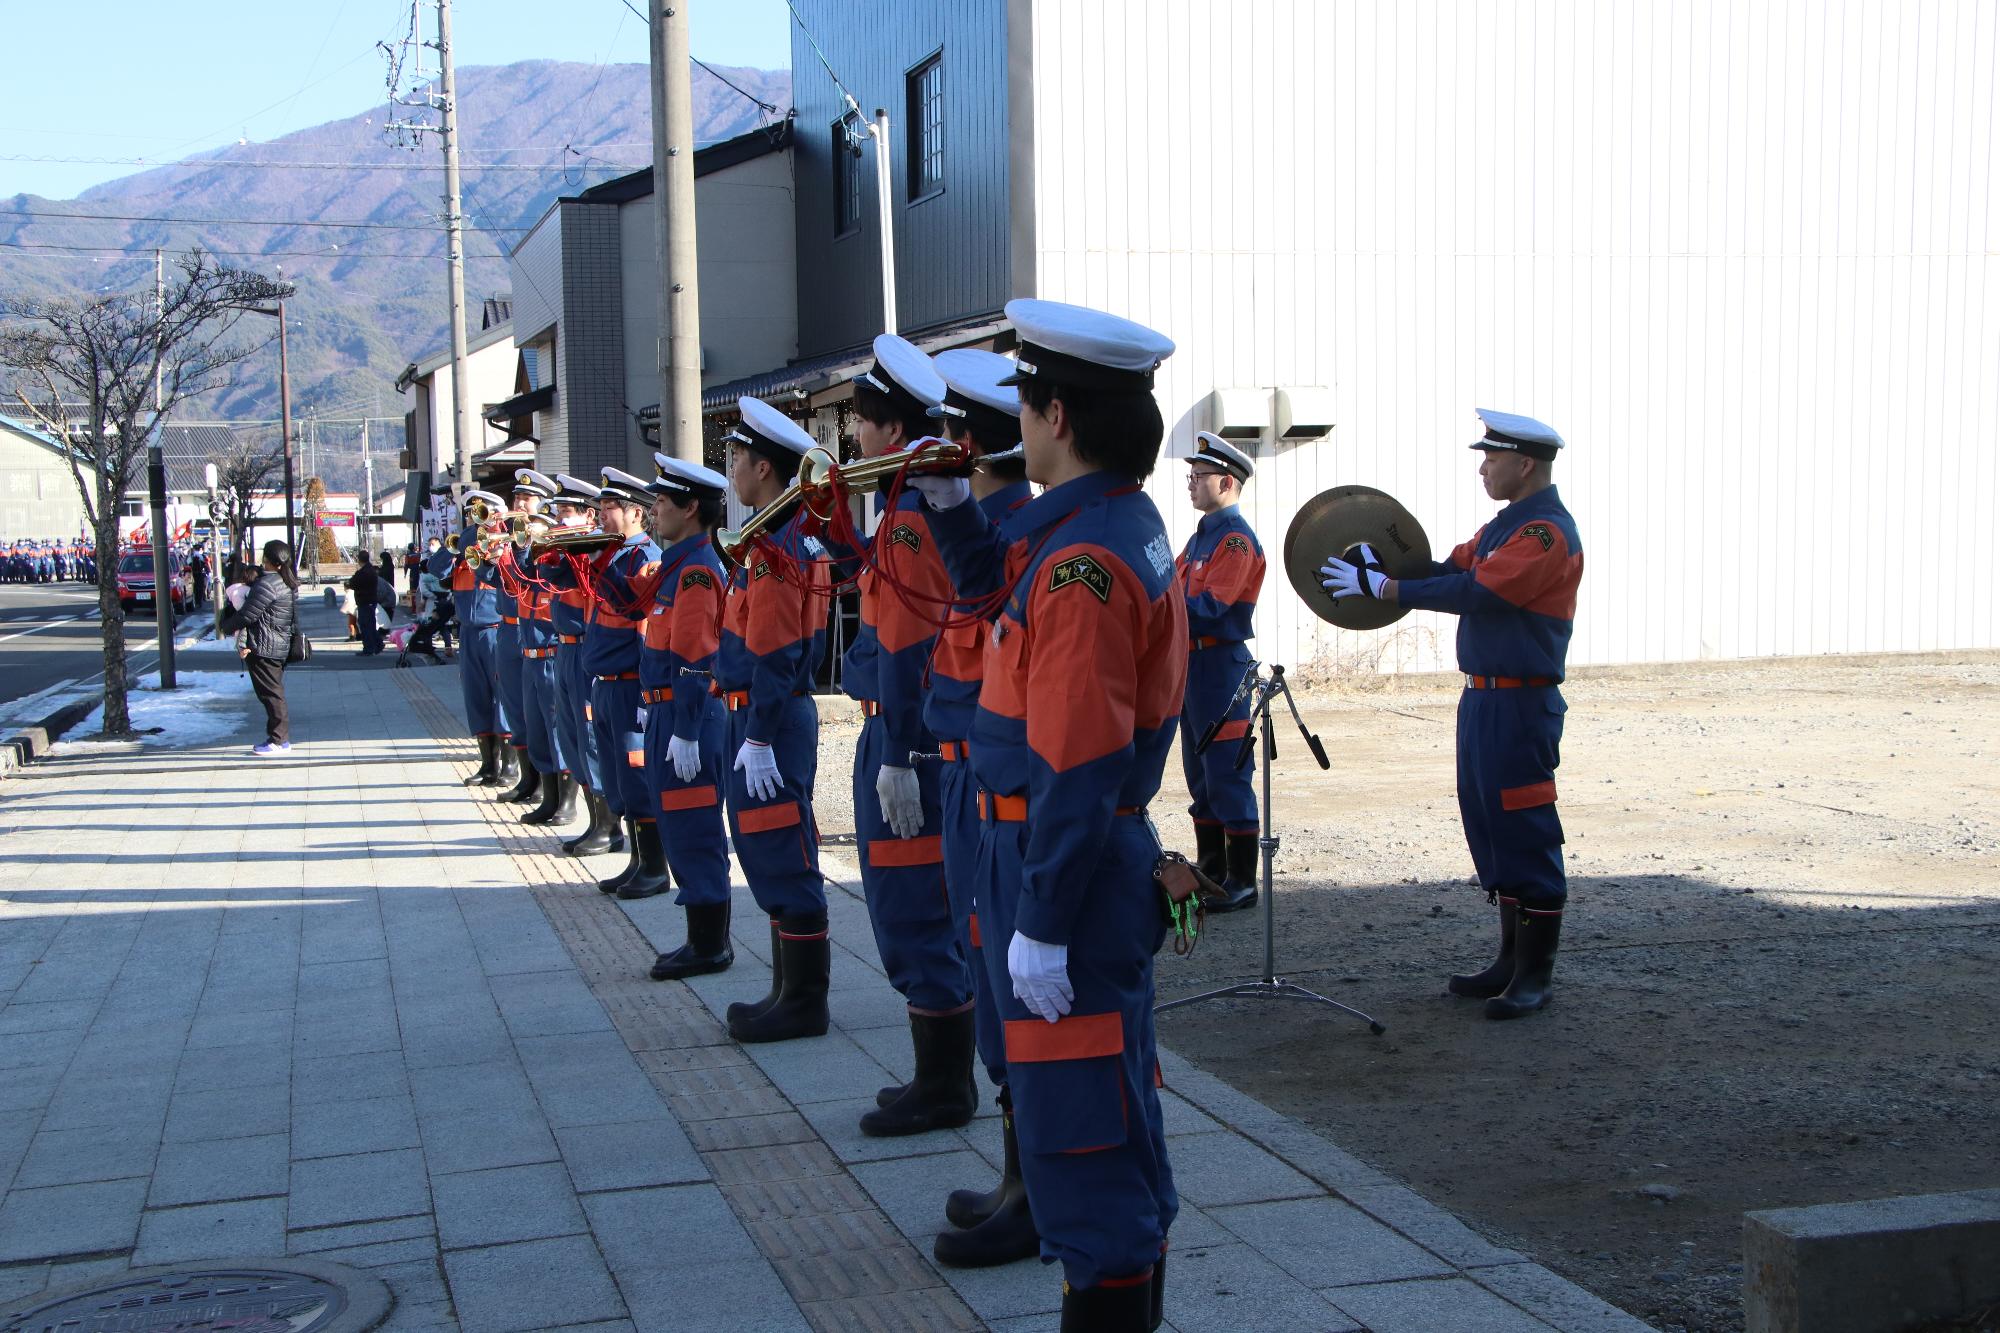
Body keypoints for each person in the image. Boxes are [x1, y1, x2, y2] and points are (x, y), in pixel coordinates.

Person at [918, 299, 1184, 1328]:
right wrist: (950, 508)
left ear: (1058, 416)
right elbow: (997, 596)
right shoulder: (1097, 523)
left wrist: (1039, 915)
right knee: (1098, 1116)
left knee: (1086, 1143)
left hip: (1057, 852)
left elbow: (1076, 763)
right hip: (1047, 846)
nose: (1011, 429)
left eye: (1022, 408)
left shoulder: (1082, 565)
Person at [1317, 408, 1584, 1020]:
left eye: (1493, 458)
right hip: (1485, 697)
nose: (1484, 468)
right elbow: (1447, 569)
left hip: (1521, 700)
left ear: (1526, 464)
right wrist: (1379, 567)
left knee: (1525, 821)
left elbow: (1480, 592)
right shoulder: (1501, 529)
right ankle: (1510, 959)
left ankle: (1534, 977)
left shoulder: (1544, 534)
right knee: (1489, 820)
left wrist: (1387, 590)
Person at [833, 334, 977, 1138]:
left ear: (888, 431)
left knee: (914, 907)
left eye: (859, 423)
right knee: (902, 902)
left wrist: (898, 752)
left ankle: (946, 1084)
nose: (854, 438)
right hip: (897, 731)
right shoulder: (901, 508)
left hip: (906, 736)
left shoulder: (915, 516)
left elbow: (909, 642)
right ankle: (935, 1073)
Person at [920, 347, 1040, 1268]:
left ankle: (1034, 1191)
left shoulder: (1031, 534)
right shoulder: (996, 526)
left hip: (1004, 789)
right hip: (969, 778)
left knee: (1012, 982)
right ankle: (1016, 1180)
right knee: (986, 966)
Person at [716, 396, 834, 1044]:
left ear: (763, 466)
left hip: (773, 719)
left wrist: (758, 733)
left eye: (735, 458)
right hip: (762, 717)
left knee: (784, 851)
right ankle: (786, 990)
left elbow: (777, 650)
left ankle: (804, 1001)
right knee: (766, 850)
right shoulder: (774, 537)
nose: (730, 468)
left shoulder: (782, 546)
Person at [638, 452, 735, 973]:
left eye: (660, 500)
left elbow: (696, 658)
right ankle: (702, 937)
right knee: (680, 826)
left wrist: (688, 729)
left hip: (685, 717)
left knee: (695, 828)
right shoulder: (679, 567)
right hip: (669, 716)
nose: (653, 510)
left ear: (690, 506)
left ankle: (710, 944)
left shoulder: (695, 572)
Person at [1177, 432, 1267, 913]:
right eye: (1190, 476)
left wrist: (1158, 613)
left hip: (1219, 665)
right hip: (1192, 665)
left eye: (1198, 477)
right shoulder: (1201, 537)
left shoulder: (1234, 540)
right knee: (1199, 771)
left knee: (1227, 770)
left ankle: (1241, 879)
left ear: (1226, 482)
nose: (1190, 484)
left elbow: (1208, 607)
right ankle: (1211, 869)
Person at [582, 468, 665, 896]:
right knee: (618, 776)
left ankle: (654, 865)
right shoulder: (614, 554)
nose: (601, 514)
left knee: (637, 775)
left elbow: (640, 619)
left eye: (609, 507)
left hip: (632, 683)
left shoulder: (642, 557)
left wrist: (647, 697)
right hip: (608, 681)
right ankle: (636, 860)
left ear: (635, 512)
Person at [544, 476, 620, 854]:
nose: (559, 520)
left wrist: (581, 544)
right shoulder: (576, 549)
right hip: (567, 648)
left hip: (589, 648)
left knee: (591, 739)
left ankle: (609, 825)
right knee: (571, 735)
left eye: (567, 512)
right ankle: (596, 821)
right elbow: (546, 573)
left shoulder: (600, 549)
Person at [492, 474, 550, 806]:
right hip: (513, 629)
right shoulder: (513, 540)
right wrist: (496, 552)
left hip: (534, 632)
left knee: (545, 716)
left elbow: (534, 579)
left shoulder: (545, 539)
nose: (519, 506)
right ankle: (529, 779)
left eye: (527, 500)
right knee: (517, 708)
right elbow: (500, 581)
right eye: (517, 499)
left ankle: (547, 786)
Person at [452, 489, 513, 786]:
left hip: (495, 627)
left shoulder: (503, 540)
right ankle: (488, 764)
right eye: (472, 513)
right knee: (476, 699)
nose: (476, 518)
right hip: (468, 629)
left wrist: (493, 530)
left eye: (482, 512)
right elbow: (437, 568)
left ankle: (510, 765)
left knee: (502, 697)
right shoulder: (466, 540)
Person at [220, 539, 301, 757]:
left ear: (267, 559)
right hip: (279, 643)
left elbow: (248, 614)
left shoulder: (267, 585)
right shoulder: (287, 583)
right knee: (273, 691)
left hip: (264, 646)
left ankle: (278, 740)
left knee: (271, 694)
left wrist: (225, 626)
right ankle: (279, 739)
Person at [347, 555, 383, 656]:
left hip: (365, 601)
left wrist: (352, 582)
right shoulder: (371, 570)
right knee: (370, 624)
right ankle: (378, 644)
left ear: (359, 560)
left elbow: (353, 582)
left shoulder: (364, 572)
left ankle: (369, 648)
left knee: (365, 625)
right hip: (370, 600)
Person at [376, 550, 399, 626]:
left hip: (386, 588)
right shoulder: (389, 565)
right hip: (389, 587)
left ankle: (385, 625)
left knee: (386, 608)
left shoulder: (387, 567)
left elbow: (383, 575)